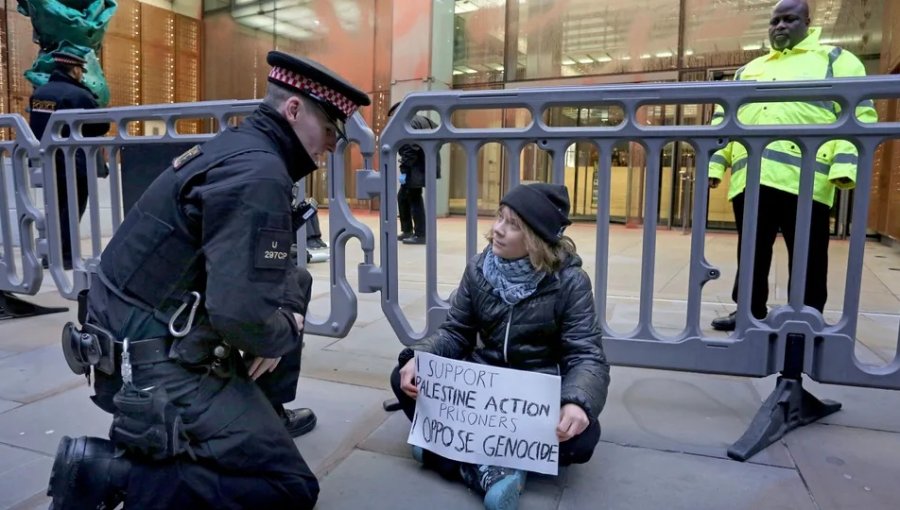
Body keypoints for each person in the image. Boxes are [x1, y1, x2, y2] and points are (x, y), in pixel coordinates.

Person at [47, 51, 370, 509]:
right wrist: (282, 331)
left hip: (129, 338)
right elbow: (239, 315)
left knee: (293, 284)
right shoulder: (259, 174)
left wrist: (276, 321)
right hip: (152, 367)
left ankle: (257, 417)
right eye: (331, 132)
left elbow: (261, 278)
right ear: (293, 110)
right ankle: (112, 472)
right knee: (289, 488)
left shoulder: (240, 148)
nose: (332, 147)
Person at [390, 183, 610, 509]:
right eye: (499, 217)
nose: (497, 230)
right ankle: (493, 468)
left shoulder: (570, 282)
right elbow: (456, 332)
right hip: (482, 388)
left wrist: (576, 403)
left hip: (535, 395)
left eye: (513, 224)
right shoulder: (479, 269)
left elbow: (587, 355)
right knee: (403, 378)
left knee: (583, 438)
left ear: (535, 239)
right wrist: (421, 357)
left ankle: (448, 454)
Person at [709, 0, 877, 331]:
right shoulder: (749, 69)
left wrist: (844, 166)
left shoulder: (835, 60)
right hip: (752, 177)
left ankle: (806, 315)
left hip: (806, 179)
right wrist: (716, 166)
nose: (780, 27)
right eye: (775, 21)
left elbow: (859, 114)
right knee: (752, 252)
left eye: (789, 19)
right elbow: (723, 120)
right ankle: (747, 311)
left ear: (808, 23)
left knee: (809, 254)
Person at [28, 50, 110, 269]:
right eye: (81, 71)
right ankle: (66, 256)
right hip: (74, 163)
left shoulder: (40, 94)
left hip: (47, 161)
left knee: (53, 208)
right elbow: (101, 125)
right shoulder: (78, 95)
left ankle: (50, 255)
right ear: (74, 69)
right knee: (72, 210)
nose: (82, 75)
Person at [388, 102, 439, 245]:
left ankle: (421, 234)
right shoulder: (422, 120)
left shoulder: (407, 123)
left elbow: (410, 149)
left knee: (414, 198)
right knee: (404, 196)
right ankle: (408, 230)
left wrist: (404, 168)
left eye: (392, 116)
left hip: (415, 168)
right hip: (425, 165)